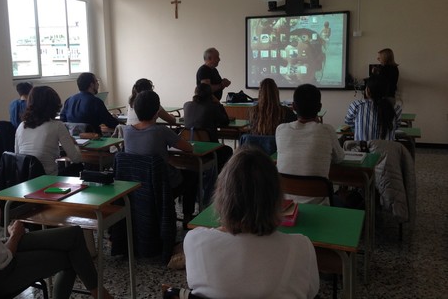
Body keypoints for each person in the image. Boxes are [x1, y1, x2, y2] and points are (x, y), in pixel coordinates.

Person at [0, 128, 113, 299]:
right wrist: (14, 236)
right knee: (69, 256)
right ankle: (100, 293)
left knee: (73, 234)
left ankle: (100, 293)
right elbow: (2, 261)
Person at [184, 146, 319, 299]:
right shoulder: (301, 247)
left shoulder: (194, 241)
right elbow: (311, 292)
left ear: (222, 194)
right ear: (276, 197)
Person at [122, 90, 197, 224]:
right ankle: (187, 217)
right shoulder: (161, 131)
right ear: (157, 111)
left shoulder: (126, 131)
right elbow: (188, 148)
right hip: (162, 185)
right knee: (192, 175)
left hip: (137, 184)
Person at [275, 84, 344, 204]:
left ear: (293, 107)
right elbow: (339, 158)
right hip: (319, 207)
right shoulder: (327, 130)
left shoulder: (281, 130)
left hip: (285, 206)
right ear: (319, 107)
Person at [16, 86, 82, 175]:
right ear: (54, 104)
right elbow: (76, 158)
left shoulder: (21, 126)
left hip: (25, 178)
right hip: (48, 179)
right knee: (79, 166)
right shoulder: (57, 126)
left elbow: (17, 155)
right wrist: (74, 143)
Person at [183, 83, 234, 196]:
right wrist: (219, 104)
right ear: (210, 95)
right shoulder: (213, 107)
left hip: (189, 149)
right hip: (210, 151)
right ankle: (217, 184)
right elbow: (225, 121)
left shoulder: (186, 105)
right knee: (228, 151)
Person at [345, 75, 402, 141]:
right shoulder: (396, 108)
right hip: (387, 150)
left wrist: (360, 126)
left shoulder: (356, 105)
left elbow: (348, 121)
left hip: (362, 150)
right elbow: (396, 127)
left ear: (368, 91)